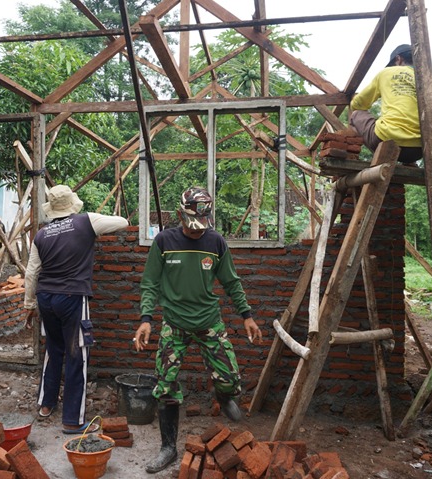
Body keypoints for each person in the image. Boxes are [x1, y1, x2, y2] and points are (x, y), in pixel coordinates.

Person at [134, 186, 262, 473]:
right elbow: (150, 282)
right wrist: (146, 319)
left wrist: (247, 315)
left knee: (229, 378)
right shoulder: (165, 241)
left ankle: (224, 394)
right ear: (181, 215)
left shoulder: (215, 241)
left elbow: (231, 281)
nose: (196, 231)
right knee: (165, 385)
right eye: (191, 226)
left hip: (209, 322)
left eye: (200, 227)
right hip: (174, 324)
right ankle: (168, 447)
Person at [24, 184, 128, 433]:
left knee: (53, 349)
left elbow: (31, 273)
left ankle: (46, 405)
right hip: (72, 297)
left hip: (46, 298)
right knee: (77, 355)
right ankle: (73, 420)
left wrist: (28, 304)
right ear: (71, 203)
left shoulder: (42, 234)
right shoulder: (86, 222)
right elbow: (123, 222)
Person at [349, 44, 432, 164]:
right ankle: (409, 163)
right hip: (419, 151)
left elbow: (358, 103)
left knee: (356, 114)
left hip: (384, 141)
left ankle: (351, 154)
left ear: (398, 59)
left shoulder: (386, 73)